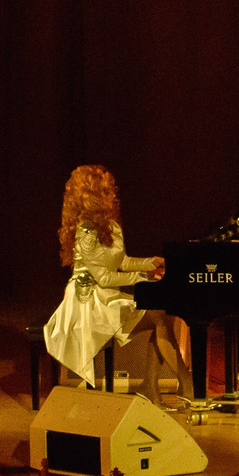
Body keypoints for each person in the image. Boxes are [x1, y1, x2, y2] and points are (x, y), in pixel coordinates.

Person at [44, 163, 188, 393]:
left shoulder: (108, 225)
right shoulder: (86, 233)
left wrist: (153, 262)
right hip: (88, 302)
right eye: (105, 190)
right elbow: (103, 278)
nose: (111, 193)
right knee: (159, 315)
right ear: (93, 195)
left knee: (162, 315)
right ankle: (185, 383)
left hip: (107, 296)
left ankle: (152, 385)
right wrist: (143, 276)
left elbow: (121, 262)